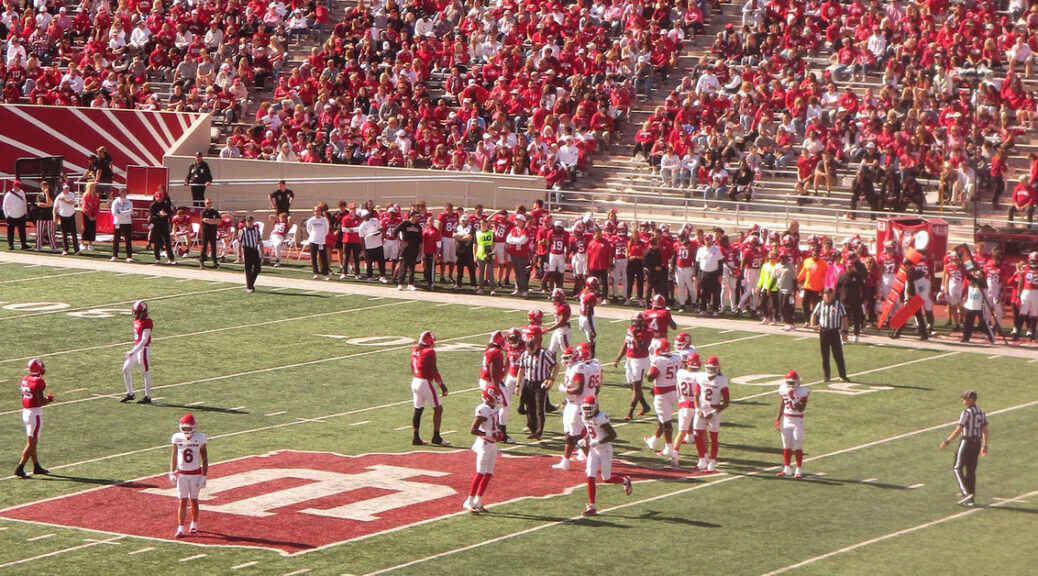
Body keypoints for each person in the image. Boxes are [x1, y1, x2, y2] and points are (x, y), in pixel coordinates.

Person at [578, 395, 633, 516]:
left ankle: (625, 480)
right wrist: (585, 440)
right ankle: (592, 506)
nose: (587, 411)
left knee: (606, 478)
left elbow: (613, 435)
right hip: (594, 450)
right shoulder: (585, 417)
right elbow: (590, 431)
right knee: (590, 475)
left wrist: (599, 441)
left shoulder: (601, 418)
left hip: (605, 450)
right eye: (585, 408)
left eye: (589, 408)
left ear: (596, 407)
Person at [939, 391, 988, 506]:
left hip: (967, 442)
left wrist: (947, 441)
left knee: (957, 467)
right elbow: (985, 430)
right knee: (971, 470)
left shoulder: (967, 413)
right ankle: (971, 497)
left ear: (971, 399)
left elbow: (959, 429)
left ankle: (966, 493)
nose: (964, 400)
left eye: (966, 398)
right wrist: (984, 445)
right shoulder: (981, 412)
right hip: (977, 443)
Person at [464, 386, 504, 514]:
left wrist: (498, 433)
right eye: (495, 396)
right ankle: (468, 501)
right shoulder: (482, 409)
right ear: (489, 397)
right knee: (480, 472)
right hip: (484, 444)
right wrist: (490, 434)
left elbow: (495, 425)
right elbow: (473, 430)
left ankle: (478, 500)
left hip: (492, 444)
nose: (497, 399)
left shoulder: (495, 407)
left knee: (489, 473)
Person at [169, 413, 208, 537]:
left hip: (196, 473)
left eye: (189, 428)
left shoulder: (200, 438)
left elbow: (205, 458)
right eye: (184, 428)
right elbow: (174, 456)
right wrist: (171, 471)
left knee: (194, 500)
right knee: (182, 501)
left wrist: (204, 476)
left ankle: (194, 524)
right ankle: (180, 527)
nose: (187, 430)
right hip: (182, 474)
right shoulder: (177, 438)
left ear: (194, 427)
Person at [15, 358, 54, 478]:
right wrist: (49, 399)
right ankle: (20, 468)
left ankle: (36, 466)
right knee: (32, 443)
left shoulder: (25, 379)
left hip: (26, 412)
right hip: (34, 413)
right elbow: (40, 401)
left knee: (31, 441)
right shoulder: (38, 382)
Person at [410, 331, 451, 446]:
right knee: (438, 409)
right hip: (425, 382)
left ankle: (416, 437)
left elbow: (412, 365)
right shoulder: (429, 352)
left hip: (415, 380)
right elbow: (434, 371)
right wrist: (442, 386)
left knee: (418, 410)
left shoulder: (414, 349)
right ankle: (436, 436)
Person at [644, 339, 681, 462]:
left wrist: (647, 373)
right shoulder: (677, 357)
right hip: (675, 391)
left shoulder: (658, 360)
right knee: (663, 418)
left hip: (662, 394)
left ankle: (669, 447)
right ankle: (653, 441)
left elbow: (650, 377)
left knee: (666, 422)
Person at [691, 355, 729, 472]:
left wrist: (713, 412)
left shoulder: (721, 380)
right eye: (709, 368)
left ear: (718, 369)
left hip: (714, 411)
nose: (711, 371)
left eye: (713, 369)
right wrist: (698, 409)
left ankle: (712, 462)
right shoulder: (701, 377)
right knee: (697, 434)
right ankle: (702, 460)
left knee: (713, 438)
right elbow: (696, 395)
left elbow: (726, 401)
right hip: (702, 409)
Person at [516, 335, 558, 441]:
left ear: (536, 346)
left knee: (539, 409)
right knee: (530, 408)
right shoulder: (524, 354)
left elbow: (556, 366)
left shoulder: (544, 354)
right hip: (528, 382)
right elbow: (521, 369)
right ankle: (533, 430)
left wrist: (551, 379)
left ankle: (539, 432)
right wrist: (518, 385)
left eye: (532, 349)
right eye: (528, 349)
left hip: (540, 384)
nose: (530, 352)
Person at [552, 347, 587, 471]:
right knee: (568, 433)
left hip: (577, 404)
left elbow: (579, 389)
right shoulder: (570, 368)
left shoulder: (578, 368)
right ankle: (565, 461)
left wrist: (564, 390)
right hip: (570, 403)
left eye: (567, 358)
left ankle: (591, 458)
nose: (565, 360)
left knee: (576, 435)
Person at [615, 312, 653, 420]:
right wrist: (619, 357)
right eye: (634, 321)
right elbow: (626, 344)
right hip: (629, 359)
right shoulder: (630, 329)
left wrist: (635, 335)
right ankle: (645, 406)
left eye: (636, 321)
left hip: (640, 361)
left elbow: (641, 348)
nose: (634, 323)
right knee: (632, 385)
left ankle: (630, 412)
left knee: (637, 387)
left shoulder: (647, 332)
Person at [810, 288, 850, 382]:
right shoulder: (820, 304)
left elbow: (844, 318)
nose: (827, 296)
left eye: (829, 294)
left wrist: (845, 332)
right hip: (823, 332)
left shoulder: (839, 305)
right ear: (823, 295)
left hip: (834, 332)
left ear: (833, 294)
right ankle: (826, 376)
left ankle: (842, 375)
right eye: (826, 294)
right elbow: (814, 314)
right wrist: (813, 325)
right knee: (825, 355)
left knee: (838, 354)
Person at [775, 370, 809, 478]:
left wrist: (793, 397)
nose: (790, 385)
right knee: (786, 445)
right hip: (786, 419)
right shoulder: (783, 389)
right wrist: (777, 419)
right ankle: (787, 469)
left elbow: (801, 408)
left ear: (798, 382)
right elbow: (782, 405)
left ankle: (798, 470)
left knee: (797, 444)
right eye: (789, 383)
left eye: (792, 382)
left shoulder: (803, 391)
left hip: (798, 420)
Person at [672, 352, 702, 468]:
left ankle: (675, 454)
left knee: (681, 431)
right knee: (700, 433)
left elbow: (684, 369)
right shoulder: (700, 376)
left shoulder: (680, 373)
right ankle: (703, 457)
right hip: (695, 405)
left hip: (683, 405)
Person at [122, 300, 154, 403]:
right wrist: (134, 350)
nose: (136, 314)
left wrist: (133, 351)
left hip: (143, 349)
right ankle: (130, 393)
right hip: (136, 348)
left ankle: (147, 396)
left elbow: (144, 340)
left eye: (138, 312)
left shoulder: (147, 322)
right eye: (135, 312)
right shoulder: (136, 321)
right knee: (125, 369)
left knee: (145, 372)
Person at [836, 253, 866, 342]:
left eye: (851, 267)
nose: (849, 268)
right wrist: (836, 299)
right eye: (848, 267)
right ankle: (844, 337)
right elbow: (837, 288)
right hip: (844, 301)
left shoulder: (858, 276)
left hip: (855, 301)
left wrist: (862, 298)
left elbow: (863, 287)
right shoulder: (842, 276)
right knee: (844, 320)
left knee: (856, 319)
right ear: (846, 267)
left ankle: (856, 334)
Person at [961, 269, 997, 344]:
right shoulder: (972, 281)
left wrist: (971, 274)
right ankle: (966, 338)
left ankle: (992, 338)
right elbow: (968, 276)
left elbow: (974, 279)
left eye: (979, 274)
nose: (977, 275)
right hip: (971, 304)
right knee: (968, 322)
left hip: (980, 305)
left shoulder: (982, 282)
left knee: (984, 323)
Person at [394, 210, 423, 290]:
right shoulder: (405, 223)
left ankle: (410, 283)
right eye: (416, 216)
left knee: (412, 266)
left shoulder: (418, 226)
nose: (417, 218)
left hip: (414, 248)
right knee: (403, 265)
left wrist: (420, 250)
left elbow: (420, 239)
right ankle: (400, 283)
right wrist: (401, 241)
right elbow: (395, 232)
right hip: (406, 248)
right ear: (412, 216)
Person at [150, 186, 176, 264]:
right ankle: (157, 258)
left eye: (160, 198)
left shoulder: (165, 204)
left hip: (164, 224)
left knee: (167, 242)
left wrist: (166, 214)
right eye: (158, 198)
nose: (159, 200)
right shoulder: (153, 205)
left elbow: (170, 212)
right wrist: (159, 215)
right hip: (156, 225)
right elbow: (152, 216)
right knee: (157, 242)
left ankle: (171, 259)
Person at [53, 183, 80, 255]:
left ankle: (76, 250)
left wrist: (64, 199)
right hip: (63, 217)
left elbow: (71, 202)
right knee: (64, 234)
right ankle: (65, 249)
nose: (67, 189)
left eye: (67, 188)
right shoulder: (59, 196)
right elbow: (55, 208)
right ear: (62, 189)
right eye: (65, 188)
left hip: (71, 216)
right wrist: (54, 218)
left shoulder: (71, 194)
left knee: (73, 234)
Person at [305, 205, 330, 280]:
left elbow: (326, 230)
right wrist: (313, 236)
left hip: (321, 241)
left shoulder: (324, 220)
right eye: (316, 211)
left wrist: (322, 236)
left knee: (323, 258)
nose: (317, 212)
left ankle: (325, 274)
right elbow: (308, 229)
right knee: (313, 258)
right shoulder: (311, 220)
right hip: (313, 241)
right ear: (313, 212)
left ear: (321, 212)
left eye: (318, 211)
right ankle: (316, 273)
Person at [3, 179, 29, 250]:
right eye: (18, 186)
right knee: (11, 231)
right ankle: (11, 245)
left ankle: (23, 244)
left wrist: (25, 212)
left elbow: (24, 202)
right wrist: (6, 215)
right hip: (11, 216)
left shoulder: (22, 192)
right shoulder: (9, 195)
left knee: (22, 231)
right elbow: (4, 205)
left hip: (21, 215)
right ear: (14, 186)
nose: (19, 188)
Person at [545, 288, 572, 356]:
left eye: (557, 298)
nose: (555, 299)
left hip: (563, 331)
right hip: (558, 330)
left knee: (567, 353)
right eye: (555, 297)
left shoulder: (564, 307)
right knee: (551, 351)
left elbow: (561, 323)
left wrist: (549, 329)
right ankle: (551, 365)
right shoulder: (558, 305)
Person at [239, 215, 263, 293]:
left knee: (257, 268)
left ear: (253, 221)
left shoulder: (256, 230)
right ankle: (250, 286)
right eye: (248, 221)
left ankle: (250, 283)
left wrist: (262, 251)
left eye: (251, 221)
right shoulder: (243, 231)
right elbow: (239, 243)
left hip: (254, 250)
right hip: (247, 250)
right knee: (248, 269)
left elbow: (259, 241)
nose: (249, 223)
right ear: (246, 222)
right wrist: (239, 254)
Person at [110, 187, 134, 261]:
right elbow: (114, 212)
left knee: (128, 240)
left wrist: (121, 213)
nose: (124, 193)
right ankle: (115, 255)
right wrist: (123, 213)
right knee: (116, 239)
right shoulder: (115, 202)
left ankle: (129, 256)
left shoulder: (129, 202)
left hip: (127, 222)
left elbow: (130, 211)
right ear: (120, 193)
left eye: (125, 192)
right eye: (123, 192)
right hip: (118, 222)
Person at [578, 276, 600, 356]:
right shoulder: (591, 296)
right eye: (595, 285)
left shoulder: (584, 291)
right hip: (587, 318)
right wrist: (592, 328)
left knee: (590, 340)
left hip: (581, 317)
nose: (597, 286)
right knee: (592, 341)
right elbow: (588, 312)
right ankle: (590, 359)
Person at [474, 218, 496, 294]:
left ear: (487, 224)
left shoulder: (491, 233)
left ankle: (492, 289)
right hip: (480, 254)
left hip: (489, 254)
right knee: (481, 272)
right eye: (481, 224)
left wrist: (491, 252)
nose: (482, 225)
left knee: (490, 272)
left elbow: (493, 243)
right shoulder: (477, 233)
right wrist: (475, 255)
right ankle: (480, 288)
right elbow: (475, 244)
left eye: (484, 224)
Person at [34, 181, 57, 252]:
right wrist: (47, 205)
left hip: (49, 216)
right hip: (41, 216)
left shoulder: (52, 194)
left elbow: (51, 202)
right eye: (43, 186)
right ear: (41, 188)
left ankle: (54, 247)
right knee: (39, 233)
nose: (45, 188)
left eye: (46, 186)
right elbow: (39, 204)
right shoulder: (39, 195)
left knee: (51, 233)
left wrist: (47, 194)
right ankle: (38, 246)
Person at [80, 181, 100, 251]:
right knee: (85, 228)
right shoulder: (85, 196)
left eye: (94, 187)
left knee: (92, 229)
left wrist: (95, 215)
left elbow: (97, 206)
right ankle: (82, 243)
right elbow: (85, 207)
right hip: (85, 214)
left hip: (93, 214)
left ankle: (90, 244)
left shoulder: (96, 196)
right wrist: (89, 216)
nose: (94, 188)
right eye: (92, 187)